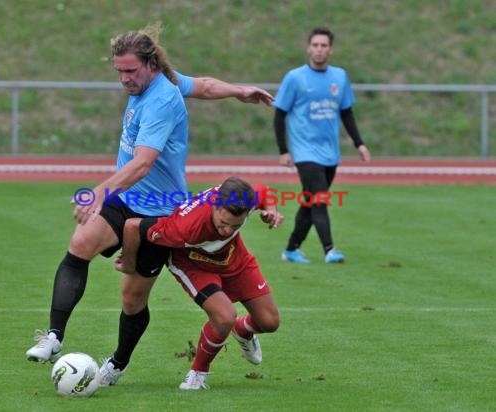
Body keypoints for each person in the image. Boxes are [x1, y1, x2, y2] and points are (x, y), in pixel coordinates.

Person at [25, 22, 274, 387]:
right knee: (79, 245)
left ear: (151, 64)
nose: (124, 79)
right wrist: (239, 91)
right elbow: (202, 85)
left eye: (130, 71)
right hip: (125, 198)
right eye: (119, 71)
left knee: (132, 300)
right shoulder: (162, 81)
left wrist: (98, 193)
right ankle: (53, 336)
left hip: (158, 213)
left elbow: (142, 164)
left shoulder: (161, 100)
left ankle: (118, 363)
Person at [116, 176, 283, 390]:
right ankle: (198, 373)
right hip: (193, 265)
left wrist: (272, 211)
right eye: (223, 224)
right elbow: (132, 226)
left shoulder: (243, 199)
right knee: (224, 317)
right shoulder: (185, 226)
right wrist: (129, 262)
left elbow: (266, 191)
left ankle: (242, 329)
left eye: (235, 226)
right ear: (215, 205)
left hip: (235, 259)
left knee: (270, 322)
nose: (227, 231)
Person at [274, 26, 371, 265]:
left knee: (310, 202)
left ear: (330, 50)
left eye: (323, 46)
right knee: (319, 199)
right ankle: (330, 250)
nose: (319, 50)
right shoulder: (295, 78)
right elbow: (279, 114)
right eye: (315, 45)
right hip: (305, 152)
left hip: (330, 153)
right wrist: (283, 150)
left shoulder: (339, 77)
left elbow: (346, 113)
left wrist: (359, 143)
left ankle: (291, 249)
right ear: (308, 48)